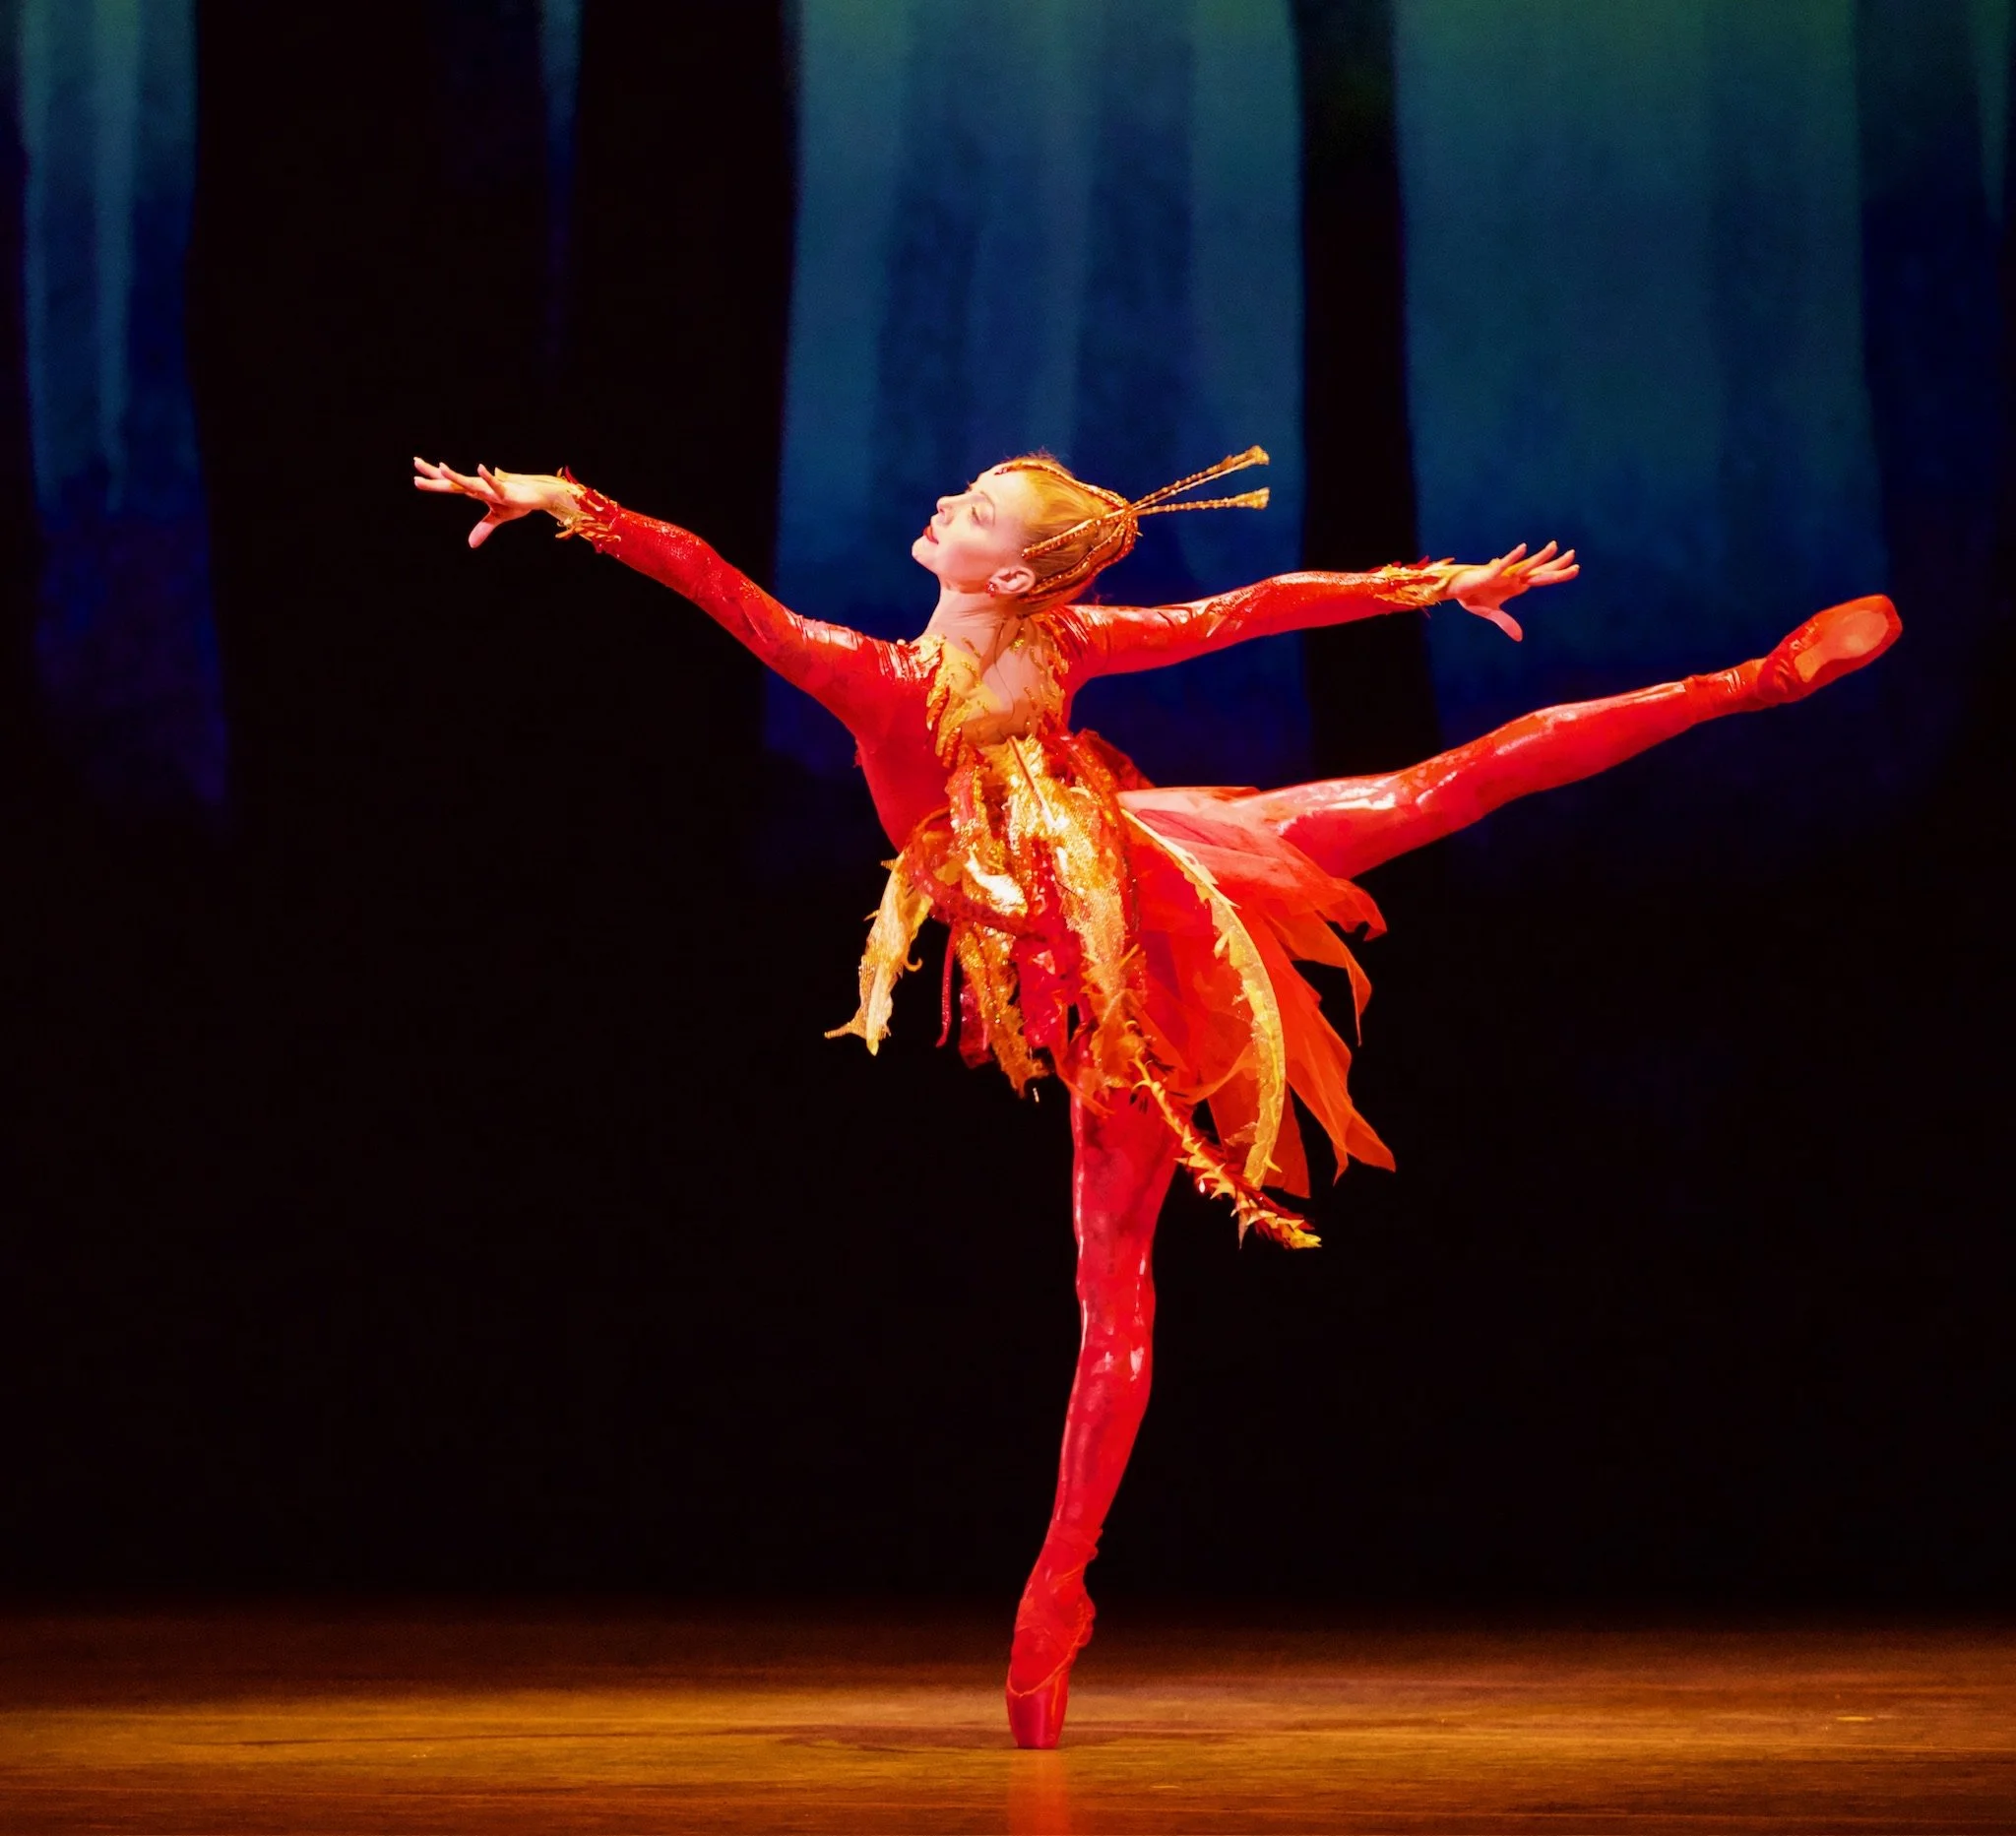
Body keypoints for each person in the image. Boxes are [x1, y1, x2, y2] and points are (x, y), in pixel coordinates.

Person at [413, 447, 1900, 1746]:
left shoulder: (965, 661)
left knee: (1120, 1281)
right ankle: (1746, 684)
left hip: (1145, 922)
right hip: (1139, 929)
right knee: (1438, 798)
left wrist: (1426, 587)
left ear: (1015, 569)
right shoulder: (994, 660)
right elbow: (1242, 605)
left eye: (975, 504)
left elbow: (732, 586)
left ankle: (1058, 1595)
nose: (945, 502)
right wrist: (1428, 584)